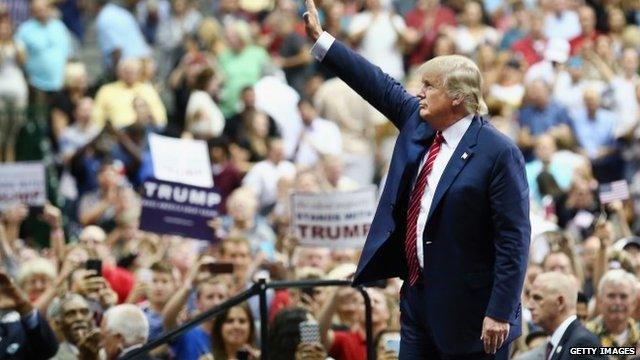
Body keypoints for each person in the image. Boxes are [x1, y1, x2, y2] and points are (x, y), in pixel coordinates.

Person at [303, 1, 530, 358]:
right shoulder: (418, 121)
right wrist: (322, 41)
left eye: (429, 85)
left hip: (473, 315)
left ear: (457, 98)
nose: (419, 92)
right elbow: (376, 83)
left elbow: (514, 238)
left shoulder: (498, 152)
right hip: (417, 301)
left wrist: (500, 311)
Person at [526, 272, 604, 359]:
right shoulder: (559, 341)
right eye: (530, 297)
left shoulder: (582, 343)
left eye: (537, 298)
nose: (529, 305)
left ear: (560, 302)